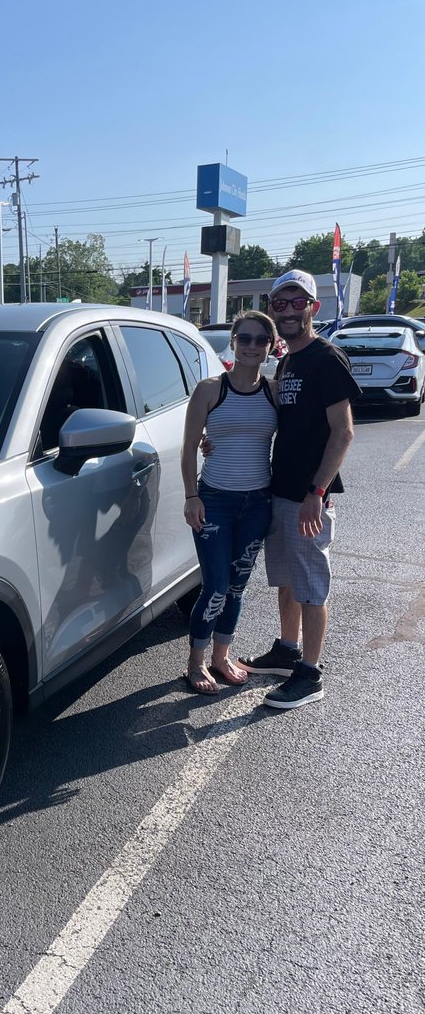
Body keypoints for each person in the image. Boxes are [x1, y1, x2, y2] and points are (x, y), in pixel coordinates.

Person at [238, 269, 360, 709]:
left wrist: (317, 492)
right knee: (287, 580)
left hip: (309, 497)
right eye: (280, 304)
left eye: (297, 303)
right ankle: (288, 651)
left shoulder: (326, 359)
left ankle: (310, 674)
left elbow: (342, 433)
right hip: (282, 491)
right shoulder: (288, 360)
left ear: (314, 307)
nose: (288, 311)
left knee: (311, 586)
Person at [180, 310, 279, 694]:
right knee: (216, 585)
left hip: (257, 502)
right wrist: (192, 496)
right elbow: (189, 448)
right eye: (245, 338)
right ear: (233, 342)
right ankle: (196, 662)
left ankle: (222, 656)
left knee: (237, 587)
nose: (252, 346)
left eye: (260, 340)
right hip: (215, 500)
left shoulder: (273, 390)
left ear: (271, 347)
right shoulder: (209, 389)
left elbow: (294, 441)